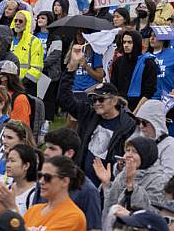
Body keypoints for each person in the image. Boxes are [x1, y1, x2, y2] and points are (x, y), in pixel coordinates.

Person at [58, 56, 137, 186]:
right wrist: (71, 67)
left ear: (114, 100)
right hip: (81, 181)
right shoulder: (89, 113)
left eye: (101, 99)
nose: (96, 103)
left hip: (108, 185)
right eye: (94, 99)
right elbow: (64, 99)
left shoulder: (128, 126)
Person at [42, 127, 102, 231]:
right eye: (46, 147)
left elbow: (94, 228)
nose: (46, 152)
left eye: (52, 148)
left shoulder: (88, 191)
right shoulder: (43, 180)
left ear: (69, 153)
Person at [97, 136, 168, 221]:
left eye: (134, 152)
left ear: (145, 154)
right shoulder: (124, 173)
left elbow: (150, 214)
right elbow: (112, 203)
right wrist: (106, 183)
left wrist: (131, 185)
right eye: (127, 150)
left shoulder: (159, 180)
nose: (129, 155)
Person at [23, 156, 88, 231]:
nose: (41, 181)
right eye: (40, 176)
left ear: (65, 181)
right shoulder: (33, 210)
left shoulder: (73, 216)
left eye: (47, 177)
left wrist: (13, 209)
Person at [133, 99, 174, 174]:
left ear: (156, 121)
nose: (141, 126)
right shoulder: (139, 144)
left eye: (144, 122)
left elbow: (172, 178)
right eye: (138, 122)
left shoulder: (172, 146)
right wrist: (120, 167)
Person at [110, 30, 158, 110]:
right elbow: (114, 86)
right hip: (120, 107)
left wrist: (135, 112)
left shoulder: (148, 63)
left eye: (129, 42)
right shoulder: (118, 62)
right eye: (124, 42)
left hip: (140, 108)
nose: (126, 45)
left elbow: (149, 91)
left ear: (136, 43)